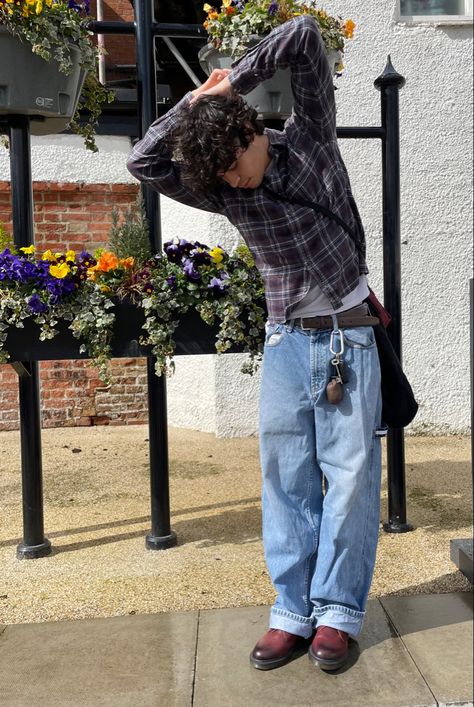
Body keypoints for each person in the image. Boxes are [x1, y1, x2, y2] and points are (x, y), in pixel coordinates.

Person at [127, 14, 383, 672]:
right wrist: (191, 104)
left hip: (347, 338)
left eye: (235, 167)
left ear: (251, 129)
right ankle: (292, 612)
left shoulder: (312, 139)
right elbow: (143, 160)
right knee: (286, 479)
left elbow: (302, 36)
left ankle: (337, 614)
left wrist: (227, 83)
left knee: (350, 481)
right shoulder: (225, 188)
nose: (234, 185)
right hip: (285, 345)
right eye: (221, 180)